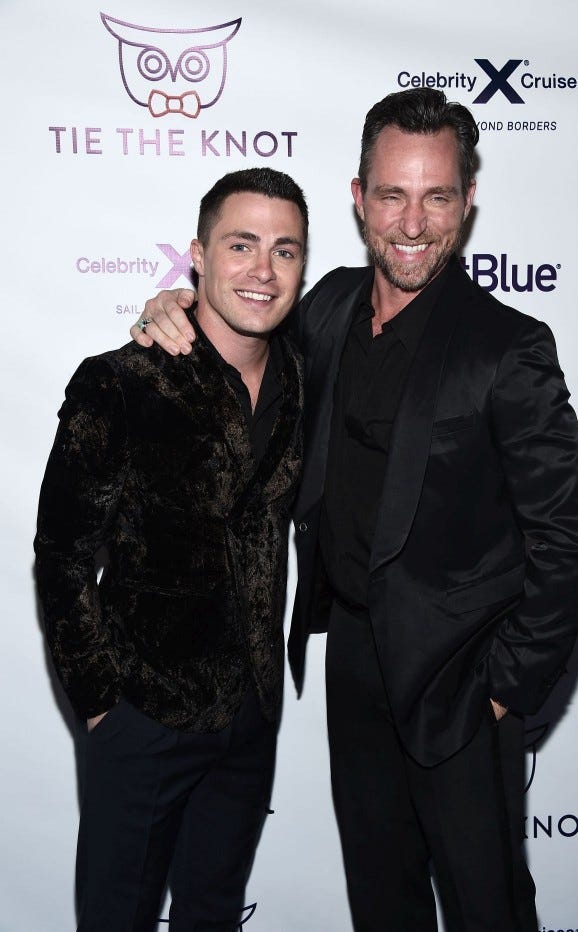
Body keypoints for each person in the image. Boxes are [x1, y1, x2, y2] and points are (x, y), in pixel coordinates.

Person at [131, 89, 578, 931]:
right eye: (392, 195)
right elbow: (243, 344)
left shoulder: (507, 347)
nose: (412, 223)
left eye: (437, 196)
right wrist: (176, 304)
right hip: (353, 660)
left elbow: (576, 539)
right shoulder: (327, 308)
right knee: (382, 903)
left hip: (461, 678)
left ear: (467, 200)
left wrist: (503, 689)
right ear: (359, 199)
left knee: (488, 909)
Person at [34, 167, 307, 932]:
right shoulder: (120, 383)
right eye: (241, 245)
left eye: (285, 250)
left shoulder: (305, 374)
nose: (263, 269)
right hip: (143, 714)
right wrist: (102, 705)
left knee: (212, 915)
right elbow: (60, 554)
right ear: (198, 255)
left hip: (250, 718)